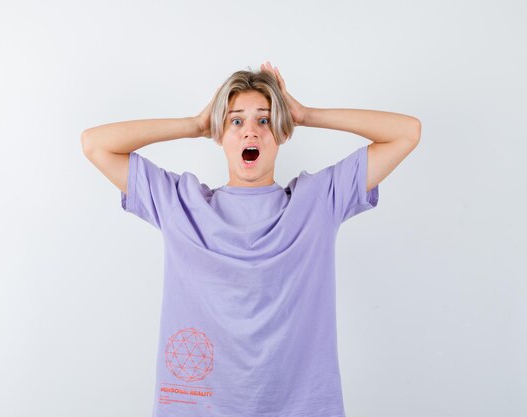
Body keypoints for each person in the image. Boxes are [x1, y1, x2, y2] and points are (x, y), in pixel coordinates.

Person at [81, 61, 421, 417]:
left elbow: (407, 132)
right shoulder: (181, 205)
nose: (250, 132)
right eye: (235, 120)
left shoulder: (319, 201)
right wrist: (196, 124)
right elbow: (95, 144)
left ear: (282, 131)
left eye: (264, 119)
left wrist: (305, 114)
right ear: (220, 133)